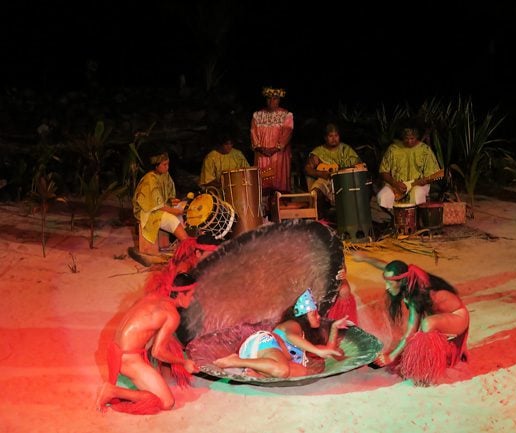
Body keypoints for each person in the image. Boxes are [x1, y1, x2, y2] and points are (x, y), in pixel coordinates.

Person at [353, 253, 469, 385]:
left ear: (400, 281)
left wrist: (391, 357)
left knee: (427, 324)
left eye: (389, 283)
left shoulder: (416, 293)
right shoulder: (406, 275)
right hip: (443, 316)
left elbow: (411, 332)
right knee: (422, 329)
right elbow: (385, 266)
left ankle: (427, 371)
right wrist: (365, 258)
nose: (386, 287)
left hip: (458, 317)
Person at [96, 271, 200, 414]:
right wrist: (183, 362)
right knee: (167, 402)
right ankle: (113, 391)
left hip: (115, 350)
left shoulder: (153, 296)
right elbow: (158, 352)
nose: (194, 299)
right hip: (128, 359)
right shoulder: (172, 314)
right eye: (192, 295)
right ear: (181, 294)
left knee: (158, 382)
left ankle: (133, 383)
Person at [212, 288, 349, 378]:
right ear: (303, 317)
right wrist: (317, 351)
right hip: (264, 344)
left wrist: (334, 328)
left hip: (267, 359)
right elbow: (291, 337)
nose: (318, 317)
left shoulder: (304, 345)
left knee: (302, 371)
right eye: (314, 314)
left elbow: (329, 351)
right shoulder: (293, 325)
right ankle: (237, 361)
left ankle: (259, 374)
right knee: (283, 370)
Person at [304, 123, 364, 218]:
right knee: (316, 191)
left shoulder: (346, 150)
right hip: (325, 180)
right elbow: (307, 169)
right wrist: (320, 173)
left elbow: (359, 165)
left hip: (344, 180)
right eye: (330, 136)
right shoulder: (319, 151)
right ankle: (320, 220)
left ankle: (351, 218)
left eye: (336, 135)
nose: (334, 139)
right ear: (325, 137)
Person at [133, 150, 190, 250]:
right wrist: (175, 211)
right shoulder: (150, 179)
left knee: (185, 205)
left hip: (161, 207)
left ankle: (184, 243)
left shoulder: (165, 174)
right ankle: (189, 246)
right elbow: (158, 206)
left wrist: (173, 201)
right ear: (156, 165)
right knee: (172, 219)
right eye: (164, 164)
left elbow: (168, 195)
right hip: (148, 212)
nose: (167, 167)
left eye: (168, 164)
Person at [377, 126, 443, 210]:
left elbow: (433, 174)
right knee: (382, 197)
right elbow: (383, 171)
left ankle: (414, 219)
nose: (409, 141)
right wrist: (394, 183)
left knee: (416, 194)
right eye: (406, 138)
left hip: (418, 185)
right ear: (402, 137)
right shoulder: (393, 149)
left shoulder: (425, 150)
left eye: (412, 138)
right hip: (396, 184)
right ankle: (394, 218)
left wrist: (425, 180)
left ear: (417, 136)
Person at [250, 86, 294, 194]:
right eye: (269, 98)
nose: (271, 101)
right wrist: (261, 148)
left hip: (279, 154)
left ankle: (279, 205)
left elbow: (287, 134)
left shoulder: (286, 115)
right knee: (263, 182)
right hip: (262, 153)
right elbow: (253, 132)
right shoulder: (258, 115)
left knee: (279, 184)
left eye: (275, 98)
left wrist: (275, 148)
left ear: (279, 100)